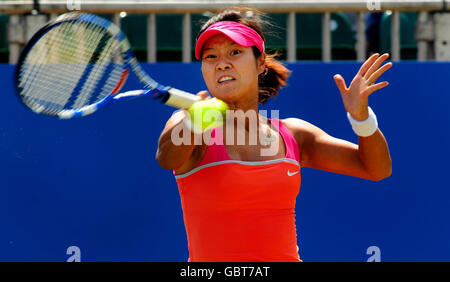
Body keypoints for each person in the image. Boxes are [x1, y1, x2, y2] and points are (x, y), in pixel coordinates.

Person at [156, 7, 392, 262]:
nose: (222, 63)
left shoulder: (293, 134)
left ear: (260, 64)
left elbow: (376, 169)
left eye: (235, 52)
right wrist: (194, 125)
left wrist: (362, 119)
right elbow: (167, 159)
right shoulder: (188, 122)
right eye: (210, 56)